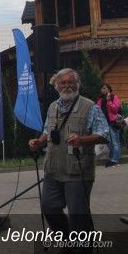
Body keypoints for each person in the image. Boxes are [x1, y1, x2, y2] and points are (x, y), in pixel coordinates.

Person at [28, 68, 109, 237]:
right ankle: (67, 240)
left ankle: (81, 247)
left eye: (71, 82)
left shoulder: (90, 107)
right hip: (53, 169)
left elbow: (104, 135)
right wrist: (39, 142)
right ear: (56, 86)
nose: (67, 86)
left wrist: (82, 140)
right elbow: (47, 131)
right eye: (63, 83)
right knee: (49, 207)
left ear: (78, 84)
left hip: (77, 170)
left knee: (78, 216)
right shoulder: (52, 107)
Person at [96, 84, 122, 167]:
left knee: (115, 142)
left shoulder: (114, 97)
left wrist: (109, 101)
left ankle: (115, 160)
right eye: (102, 88)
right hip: (104, 124)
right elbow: (98, 111)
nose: (103, 89)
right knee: (108, 143)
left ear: (109, 89)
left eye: (104, 88)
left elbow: (115, 109)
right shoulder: (100, 99)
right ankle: (112, 159)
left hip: (113, 122)